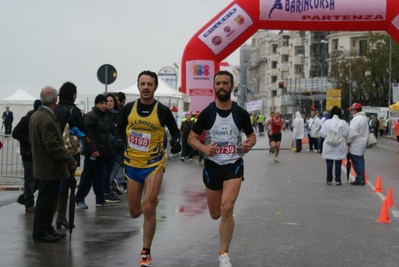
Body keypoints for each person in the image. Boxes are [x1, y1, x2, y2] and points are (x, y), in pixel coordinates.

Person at [188, 70, 256, 267]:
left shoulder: (240, 113)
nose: (222, 86)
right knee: (215, 213)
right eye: (218, 83)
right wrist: (204, 149)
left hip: (233, 164)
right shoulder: (207, 113)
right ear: (214, 87)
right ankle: (226, 219)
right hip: (212, 166)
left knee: (227, 208)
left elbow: (252, 136)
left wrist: (247, 145)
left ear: (232, 87)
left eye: (226, 83)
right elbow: (191, 138)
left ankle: (224, 255)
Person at [115, 70, 181, 267]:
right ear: (138, 86)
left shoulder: (162, 110)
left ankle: (146, 252)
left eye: (149, 84)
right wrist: (118, 140)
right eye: (142, 84)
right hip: (133, 164)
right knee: (135, 212)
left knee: (149, 206)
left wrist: (177, 142)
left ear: (155, 87)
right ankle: (150, 203)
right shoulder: (128, 109)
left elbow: (175, 130)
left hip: (154, 163)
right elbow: (118, 128)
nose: (145, 87)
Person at [29, 86, 77, 242]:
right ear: (55, 100)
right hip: (48, 168)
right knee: (46, 203)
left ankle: (46, 228)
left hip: (44, 167)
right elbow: (53, 146)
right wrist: (69, 160)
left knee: (48, 202)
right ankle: (41, 232)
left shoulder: (38, 115)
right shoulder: (46, 118)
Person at [54, 82, 88, 228]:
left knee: (53, 182)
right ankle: (61, 216)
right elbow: (84, 129)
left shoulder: (54, 109)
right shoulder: (73, 110)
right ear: (73, 95)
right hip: (69, 152)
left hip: (53, 151)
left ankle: (53, 215)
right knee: (65, 182)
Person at [75, 94, 111, 209]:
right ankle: (79, 199)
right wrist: (92, 150)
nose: (104, 106)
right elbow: (88, 136)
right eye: (101, 103)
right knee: (87, 176)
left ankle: (100, 199)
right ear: (96, 104)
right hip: (93, 153)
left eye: (105, 103)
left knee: (98, 177)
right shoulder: (90, 117)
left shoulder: (105, 117)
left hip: (101, 153)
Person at [12, 99, 41, 213]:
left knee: (37, 181)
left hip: (37, 155)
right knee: (30, 181)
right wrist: (30, 140)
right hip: (28, 155)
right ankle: (29, 204)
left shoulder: (39, 119)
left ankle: (24, 198)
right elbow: (15, 133)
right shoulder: (27, 119)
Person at [319, 106, 349, 185]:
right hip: (339, 144)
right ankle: (338, 180)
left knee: (329, 162)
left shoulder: (327, 122)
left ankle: (329, 180)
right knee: (338, 162)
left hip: (328, 144)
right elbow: (346, 134)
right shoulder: (343, 122)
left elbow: (322, 134)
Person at [347, 103, 369, 186]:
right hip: (362, 142)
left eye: (351, 110)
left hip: (356, 143)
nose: (351, 111)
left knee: (356, 162)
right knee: (360, 161)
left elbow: (353, 132)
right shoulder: (363, 118)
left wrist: (348, 141)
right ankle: (361, 178)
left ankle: (359, 179)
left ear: (355, 110)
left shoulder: (356, 119)